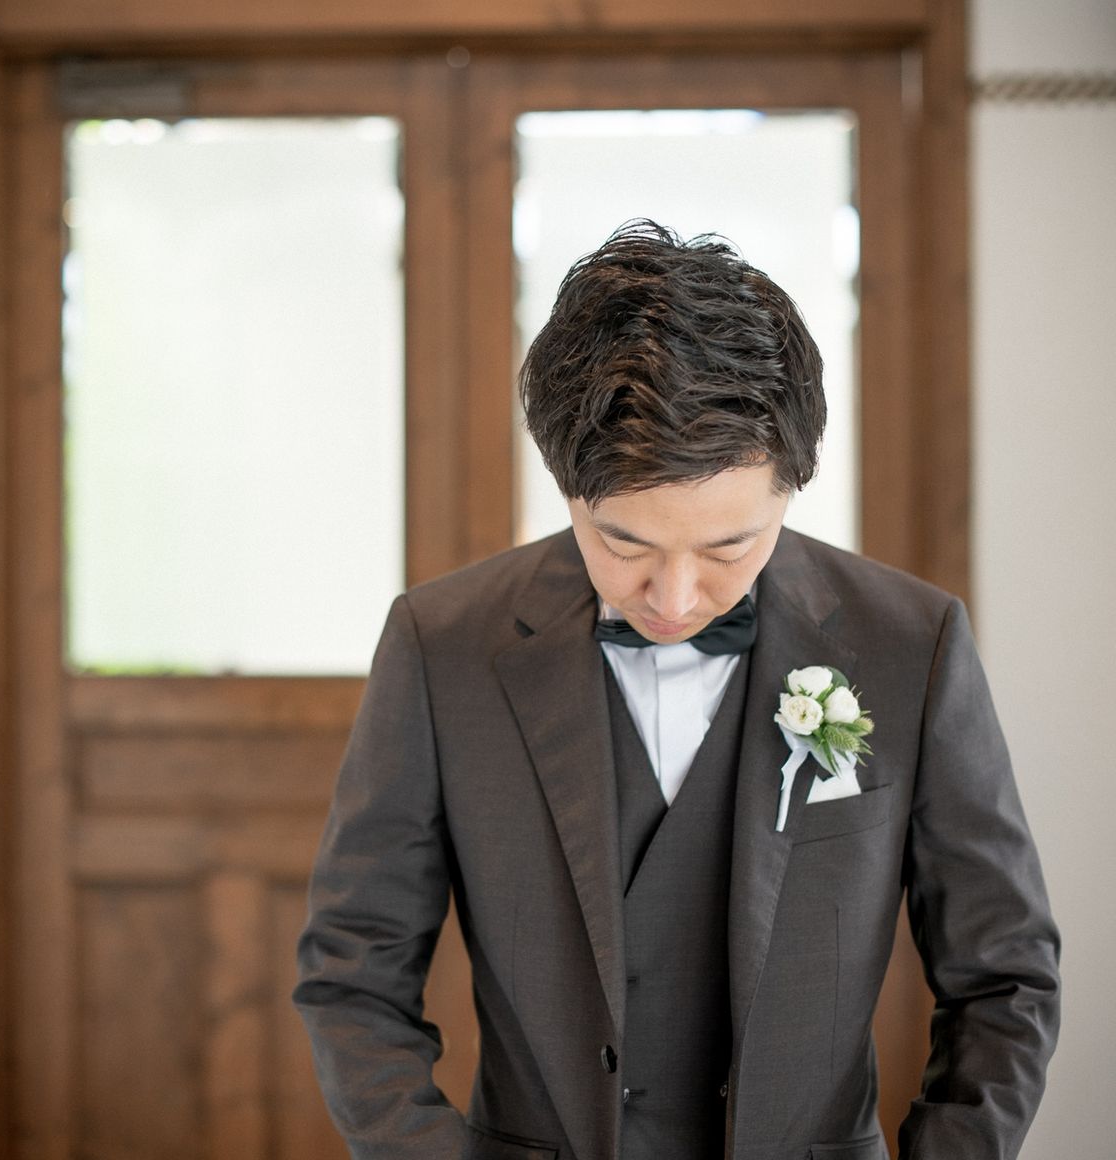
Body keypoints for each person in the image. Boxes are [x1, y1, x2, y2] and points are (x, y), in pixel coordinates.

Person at [293, 220, 1060, 1160]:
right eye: (623, 543)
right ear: (567, 488)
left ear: (791, 487)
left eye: (730, 546)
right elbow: (353, 975)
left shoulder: (912, 643)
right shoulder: (442, 643)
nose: (675, 597)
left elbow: (1005, 977)